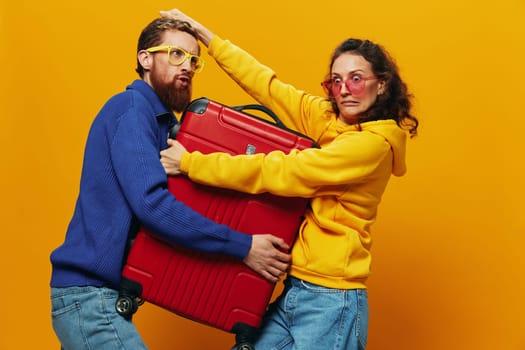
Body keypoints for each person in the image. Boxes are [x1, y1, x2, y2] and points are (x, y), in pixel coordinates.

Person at [159, 9, 419, 350]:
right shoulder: (332, 121)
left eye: (356, 78)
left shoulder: (372, 147)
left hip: (332, 300)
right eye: (335, 81)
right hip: (298, 289)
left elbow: (283, 171)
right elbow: (270, 88)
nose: (344, 90)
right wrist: (209, 39)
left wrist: (191, 163)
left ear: (381, 84)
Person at [49, 17, 292, 350]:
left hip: (91, 298)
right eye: (176, 54)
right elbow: (153, 205)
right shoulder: (132, 110)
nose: (188, 67)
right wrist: (243, 246)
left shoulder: (162, 125)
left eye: (193, 60)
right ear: (145, 59)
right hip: (89, 299)